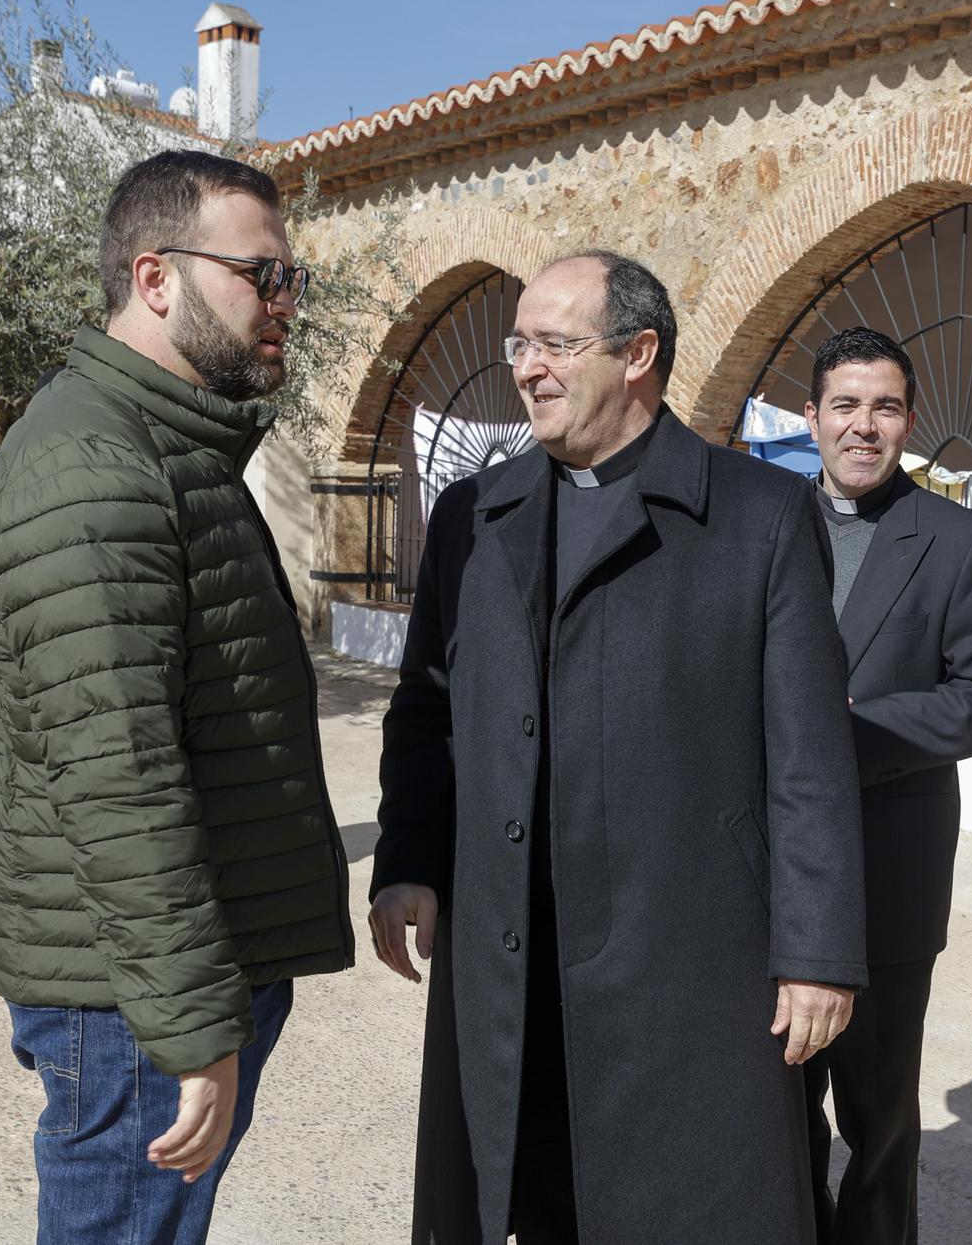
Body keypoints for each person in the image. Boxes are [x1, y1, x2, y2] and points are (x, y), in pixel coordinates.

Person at [370, 250, 867, 1244]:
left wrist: (817, 954)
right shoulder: (473, 515)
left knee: (685, 1200)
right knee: (527, 1189)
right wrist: (409, 861)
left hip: (683, 956)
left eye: (556, 344)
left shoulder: (759, 517)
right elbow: (425, 708)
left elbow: (807, 758)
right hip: (514, 945)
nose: (526, 368)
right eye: (520, 344)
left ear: (638, 353)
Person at [0, 149, 355, 1245]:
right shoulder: (95, 466)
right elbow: (116, 779)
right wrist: (187, 1024)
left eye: (290, 280)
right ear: (154, 278)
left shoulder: (168, 448)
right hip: (134, 998)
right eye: (258, 276)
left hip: (156, 978)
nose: (283, 304)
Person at [797, 327, 972, 1245]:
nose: (863, 426)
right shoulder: (758, 526)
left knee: (878, 1120)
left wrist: (842, 731)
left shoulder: (960, 539)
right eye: (844, 406)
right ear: (810, 417)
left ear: (909, 422)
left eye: (884, 407)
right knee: (772, 1107)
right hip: (767, 871)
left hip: (887, 876)